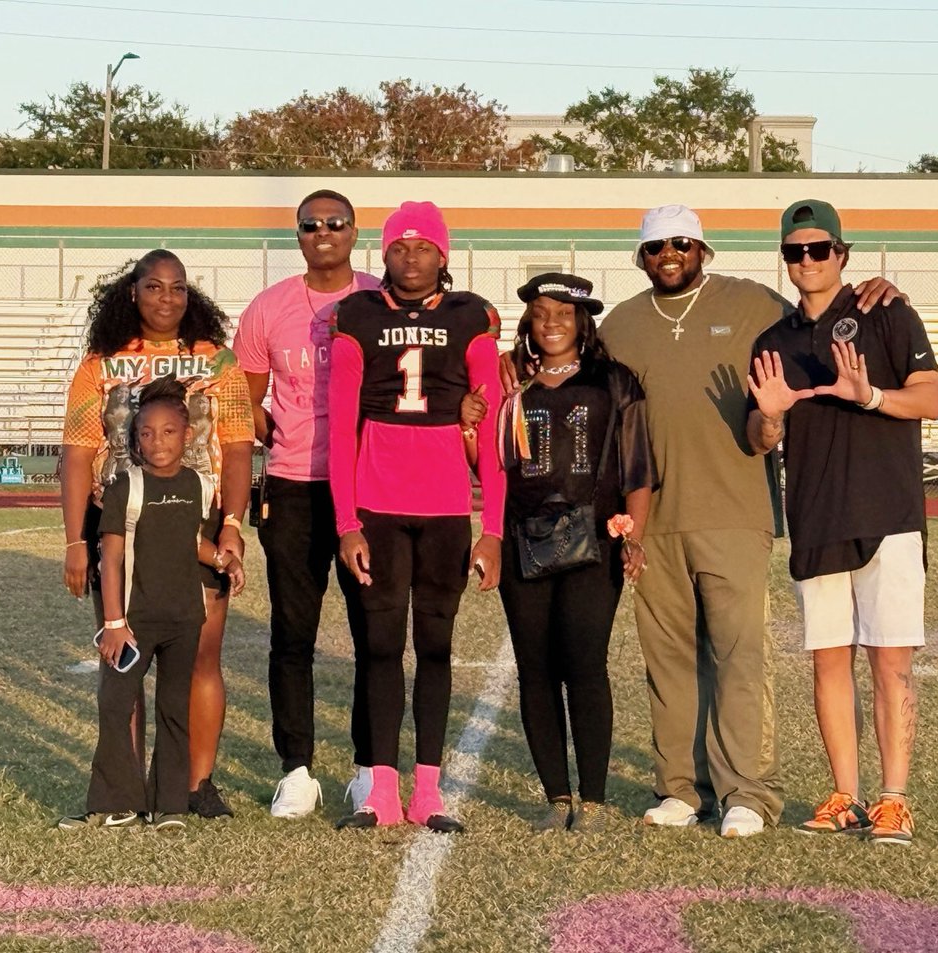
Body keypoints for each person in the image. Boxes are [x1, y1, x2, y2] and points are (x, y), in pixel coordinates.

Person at [494, 205, 903, 837]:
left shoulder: (754, 304)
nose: (669, 253)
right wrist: (512, 366)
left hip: (736, 510)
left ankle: (747, 791)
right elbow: (566, 367)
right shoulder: (624, 324)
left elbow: (818, 317)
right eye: (655, 246)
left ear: (702, 249)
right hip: (651, 519)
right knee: (669, 659)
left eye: (681, 242)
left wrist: (877, 290)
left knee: (739, 654)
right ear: (641, 256)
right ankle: (680, 787)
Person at [747, 200, 938, 846]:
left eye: (819, 249)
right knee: (828, 663)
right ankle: (846, 794)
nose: (807, 261)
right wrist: (771, 415)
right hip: (816, 517)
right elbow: (758, 437)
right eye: (795, 252)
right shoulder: (773, 343)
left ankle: (894, 798)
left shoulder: (885, 312)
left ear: (843, 253)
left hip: (888, 515)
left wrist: (872, 396)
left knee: (890, 663)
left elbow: (932, 398)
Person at [329, 201, 504, 833]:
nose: (411, 257)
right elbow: (345, 421)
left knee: (435, 647)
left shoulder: (472, 317)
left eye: (423, 247)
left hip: (446, 507)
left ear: (443, 255)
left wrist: (495, 529)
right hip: (376, 500)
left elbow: (492, 433)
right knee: (379, 647)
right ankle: (380, 789)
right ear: (384, 254)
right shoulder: (357, 315)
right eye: (399, 247)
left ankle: (427, 790)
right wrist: (347, 523)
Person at [61, 249, 254, 820]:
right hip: (120, 526)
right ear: (133, 293)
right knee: (125, 659)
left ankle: (194, 784)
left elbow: (240, 446)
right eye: (153, 287)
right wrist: (76, 539)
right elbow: (78, 454)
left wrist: (234, 525)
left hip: (197, 521)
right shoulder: (101, 363)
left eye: (176, 288)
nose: (166, 298)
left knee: (198, 659)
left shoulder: (217, 361)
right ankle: (129, 792)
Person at [232, 189, 379, 818]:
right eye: (311, 225)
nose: (323, 232)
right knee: (293, 636)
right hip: (294, 486)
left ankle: (370, 767)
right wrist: (283, 431)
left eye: (335, 223)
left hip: (371, 487)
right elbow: (246, 401)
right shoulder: (269, 308)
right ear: (298, 235)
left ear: (353, 231)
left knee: (376, 634)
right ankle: (297, 770)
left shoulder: (379, 298)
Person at [494, 273, 656, 833]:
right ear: (529, 323)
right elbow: (489, 465)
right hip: (524, 540)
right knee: (535, 670)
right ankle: (555, 796)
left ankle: (595, 798)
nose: (552, 323)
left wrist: (633, 534)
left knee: (585, 666)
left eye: (564, 312)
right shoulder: (511, 384)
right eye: (541, 313)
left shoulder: (614, 381)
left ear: (583, 320)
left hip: (595, 540)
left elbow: (638, 468)